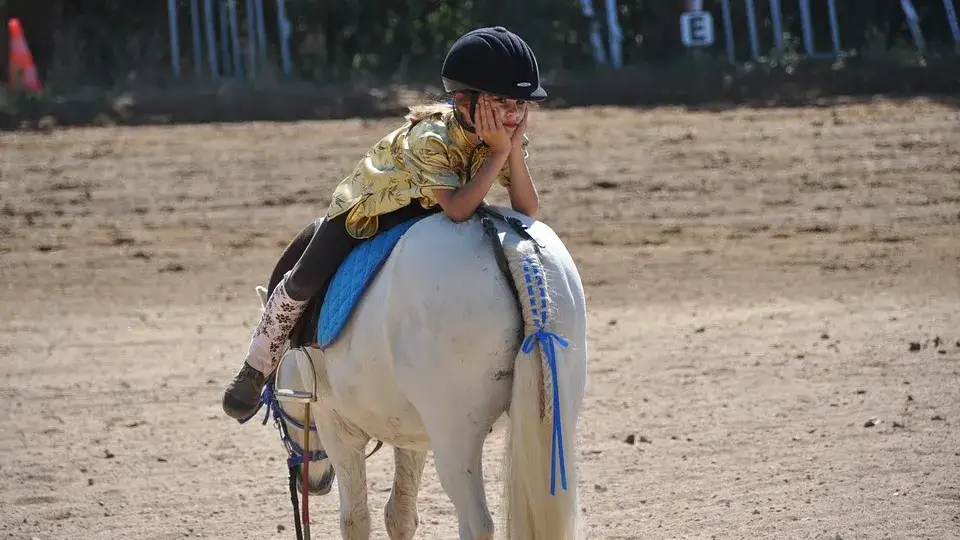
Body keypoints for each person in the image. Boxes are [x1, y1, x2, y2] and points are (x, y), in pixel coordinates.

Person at [221, 26, 548, 420]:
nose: (513, 114)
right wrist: (498, 154)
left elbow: (527, 208)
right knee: (304, 279)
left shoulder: (504, 135)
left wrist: (509, 149)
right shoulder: (432, 137)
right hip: (368, 208)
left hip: (429, 209)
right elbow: (458, 210)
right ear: (464, 100)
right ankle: (257, 366)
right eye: (501, 102)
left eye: (520, 104)